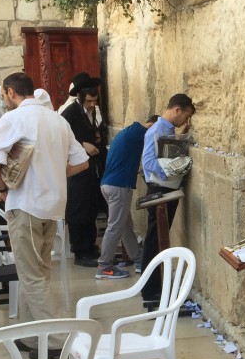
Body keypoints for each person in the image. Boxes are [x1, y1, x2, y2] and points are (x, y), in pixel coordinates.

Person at [0, 72, 89, 358]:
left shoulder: (13, 118)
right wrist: (54, 172)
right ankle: (31, 336)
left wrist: (4, 189)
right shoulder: (58, 119)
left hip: (26, 205)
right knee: (39, 272)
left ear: (9, 92)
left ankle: (55, 341)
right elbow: (81, 162)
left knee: (31, 276)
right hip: (53, 206)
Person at [140, 94, 195, 303]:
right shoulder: (157, 129)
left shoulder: (169, 130)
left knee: (160, 238)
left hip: (166, 189)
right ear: (177, 110)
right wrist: (171, 171)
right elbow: (148, 162)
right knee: (155, 240)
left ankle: (155, 288)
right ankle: (150, 290)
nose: (185, 122)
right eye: (186, 116)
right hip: (159, 189)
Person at [94, 116, 155, 279]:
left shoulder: (130, 132)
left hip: (108, 185)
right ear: (152, 125)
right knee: (115, 226)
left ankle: (139, 259)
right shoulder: (142, 133)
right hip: (119, 187)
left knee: (125, 225)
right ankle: (104, 266)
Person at [61, 79, 108, 265]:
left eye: (94, 101)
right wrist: (82, 144)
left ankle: (90, 246)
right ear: (80, 99)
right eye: (88, 101)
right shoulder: (70, 113)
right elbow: (62, 137)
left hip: (91, 166)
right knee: (78, 206)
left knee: (90, 206)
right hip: (76, 167)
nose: (92, 104)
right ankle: (80, 250)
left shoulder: (93, 111)